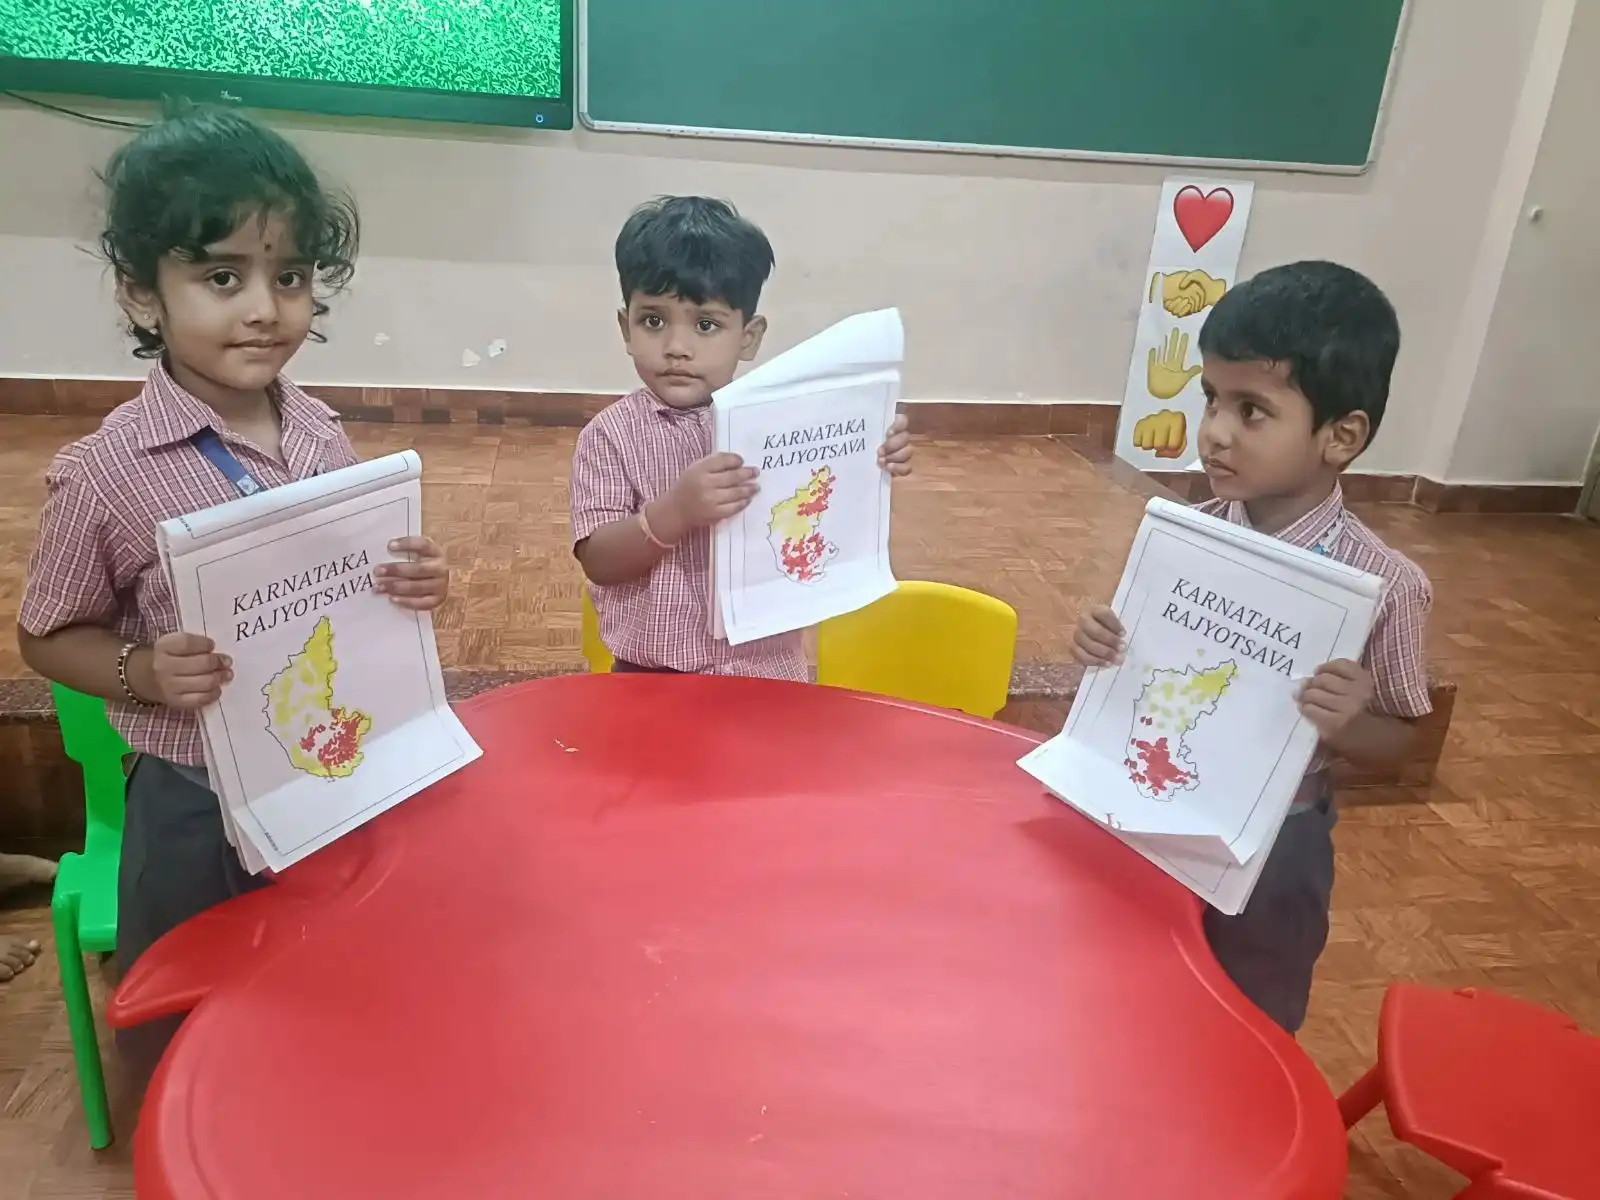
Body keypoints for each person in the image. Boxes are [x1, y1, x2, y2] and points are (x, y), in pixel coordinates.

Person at [16, 106, 452, 980]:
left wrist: (410, 579)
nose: (264, 310)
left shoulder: (320, 431)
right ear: (141, 292)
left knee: (328, 976)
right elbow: (46, 636)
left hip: (328, 765)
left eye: (289, 276)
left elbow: (346, 580)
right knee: (195, 999)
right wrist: (144, 672)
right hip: (194, 798)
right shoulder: (107, 473)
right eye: (222, 277)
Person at [1073, 261, 1432, 1035]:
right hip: (1156, 804)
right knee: (1130, 983)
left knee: (1249, 1015)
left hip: (1278, 845)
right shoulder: (1187, 533)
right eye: (1211, 398)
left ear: (1341, 436)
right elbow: (1147, 663)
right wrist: (1106, 644)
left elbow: (1404, 741)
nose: (1215, 431)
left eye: (1252, 410)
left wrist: (1351, 721)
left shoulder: (1386, 585)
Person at [570, 196, 913, 679]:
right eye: (653, 321)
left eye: (706, 324)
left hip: (766, 672)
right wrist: (676, 512)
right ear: (627, 328)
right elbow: (599, 562)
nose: (677, 347)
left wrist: (872, 456)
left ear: (748, 338)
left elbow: (830, 511)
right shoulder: (609, 436)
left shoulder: (786, 425)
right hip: (651, 675)